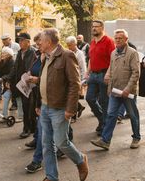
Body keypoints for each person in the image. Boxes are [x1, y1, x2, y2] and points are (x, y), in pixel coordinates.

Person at [37, 28, 88, 181]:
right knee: (46, 144)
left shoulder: (66, 55)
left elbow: (74, 83)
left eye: (41, 40)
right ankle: (52, 177)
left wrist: (70, 109)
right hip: (45, 106)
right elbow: (43, 80)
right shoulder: (45, 57)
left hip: (60, 108)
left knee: (61, 142)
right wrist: (38, 104)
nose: (39, 43)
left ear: (49, 42)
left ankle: (80, 160)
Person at [91, 29, 141, 150]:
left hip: (127, 92)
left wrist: (128, 89)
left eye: (120, 38)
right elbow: (111, 67)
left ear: (126, 40)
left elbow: (136, 73)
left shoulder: (132, 53)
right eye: (116, 38)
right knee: (111, 115)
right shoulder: (113, 53)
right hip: (115, 90)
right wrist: (108, 75)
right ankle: (105, 141)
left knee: (133, 115)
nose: (118, 40)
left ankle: (136, 137)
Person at [86, 20, 116, 135]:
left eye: (96, 27)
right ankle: (102, 120)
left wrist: (108, 74)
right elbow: (91, 58)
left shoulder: (108, 41)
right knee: (89, 98)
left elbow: (113, 60)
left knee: (104, 101)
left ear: (102, 28)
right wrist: (87, 73)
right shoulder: (93, 41)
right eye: (92, 26)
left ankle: (104, 126)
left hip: (104, 74)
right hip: (93, 75)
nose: (94, 28)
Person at [8, 32, 37, 138]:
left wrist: (27, 78)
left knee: (28, 106)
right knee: (28, 106)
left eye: (21, 40)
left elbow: (30, 68)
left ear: (28, 42)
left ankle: (27, 129)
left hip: (30, 83)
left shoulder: (32, 52)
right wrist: (8, 77)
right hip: (22, 83)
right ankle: (33, 127)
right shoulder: (20, 52)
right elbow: (15, 68)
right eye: (19, 40)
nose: (19, 42)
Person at [66, 36, 87, 121]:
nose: (68, 47)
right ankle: (80, 107)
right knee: (69, 96)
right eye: (67, 45)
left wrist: (83, 80)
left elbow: (83, 67)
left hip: (77, 78)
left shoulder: (80, 53)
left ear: (75, 44)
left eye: (70, 45)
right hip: (69, 77)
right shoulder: (67, 52)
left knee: (73, 97)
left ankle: (73, 116)